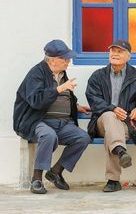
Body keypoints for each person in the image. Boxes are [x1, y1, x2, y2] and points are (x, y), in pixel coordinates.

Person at [13, 39, 91, 194]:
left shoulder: (61, 73)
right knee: (48, 136)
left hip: (62, 123)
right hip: (37, 121)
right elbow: (36, 101)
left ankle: (56, 171)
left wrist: (75, 105)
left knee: (83, 138)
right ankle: (36, 179)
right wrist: (59, 89)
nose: (69, 61)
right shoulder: (36, 73)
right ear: (54, 60)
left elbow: (63, 96)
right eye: (66, 58)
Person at [85, 39, 136, 192]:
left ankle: (113, 180)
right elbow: (94, 100)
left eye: (119, 51)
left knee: (113, 133)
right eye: (112, 51)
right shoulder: (98, 76)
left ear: (129, 56)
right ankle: (120, 151)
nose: (115, 54)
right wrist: (112, 109)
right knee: (109, 117)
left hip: (128, 125)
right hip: (102, 122)